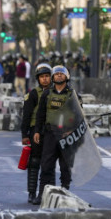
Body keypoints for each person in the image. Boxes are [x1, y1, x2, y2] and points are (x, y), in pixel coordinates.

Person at [34, 65, 76, 197]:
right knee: (46, 166)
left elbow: (79, 116)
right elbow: (40, 114)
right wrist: (37, 131)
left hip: (66, 136)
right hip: (50, 135)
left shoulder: (72, 94)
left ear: (66, 76)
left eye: (61, 73)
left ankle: (65, 194)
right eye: (56, 73)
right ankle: (43, 195)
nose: (59, 75)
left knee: (65, 167)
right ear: (53, 77)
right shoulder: (47, 94)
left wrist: (72, 132)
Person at [21, 63, 53, 204]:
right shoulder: (33, 94)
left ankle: (49, 193)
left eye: (47, 76)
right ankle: (32, 193)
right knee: (34, 162)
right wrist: (24, 135)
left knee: (49, 163)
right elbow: (26, 116)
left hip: (52, 131)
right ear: (38, 79)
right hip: (36, 131)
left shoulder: (56, 92)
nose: (45, 79)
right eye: (42, 77)